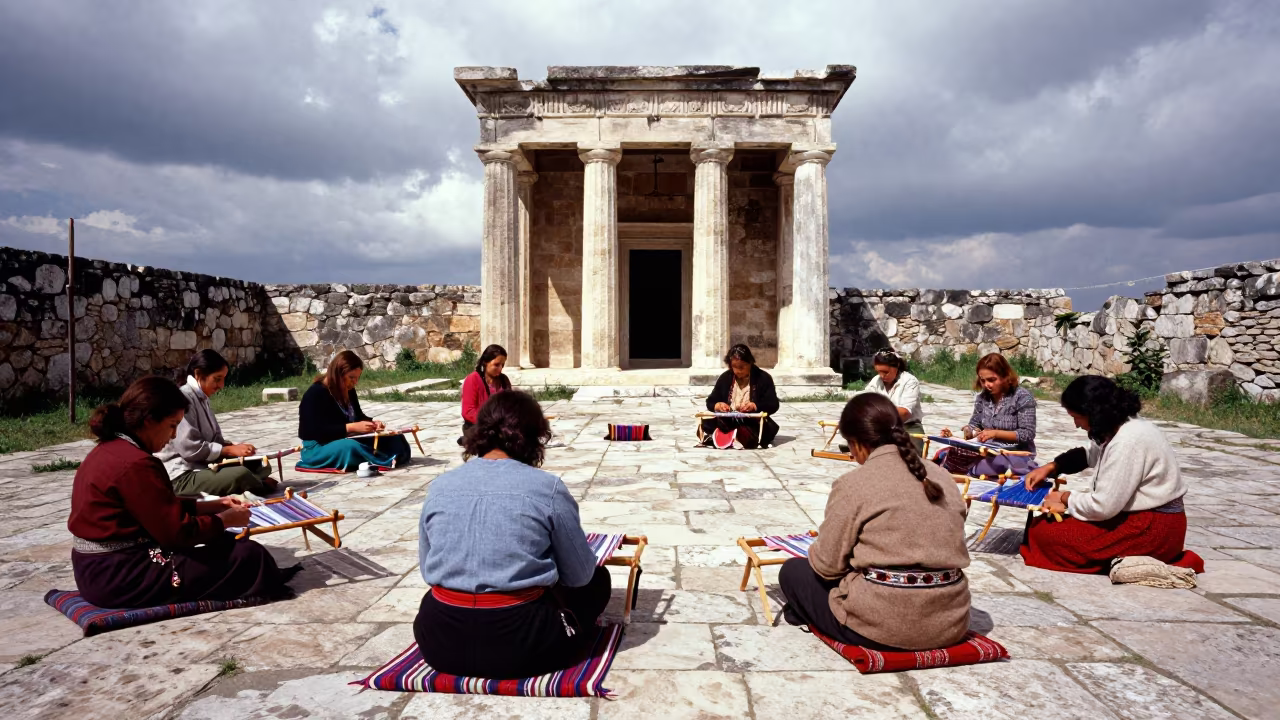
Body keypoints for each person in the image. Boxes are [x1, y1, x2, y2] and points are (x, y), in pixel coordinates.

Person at [415, 390, 611, 679]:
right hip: (522, 646)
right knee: (598, 580)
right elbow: (580, 576)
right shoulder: (547, 487)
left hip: (440, 643)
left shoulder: (440, 486)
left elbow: (427, 569)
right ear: (534, 437)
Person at [68, 376, 296, 608]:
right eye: (172, 425)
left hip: (96, 570)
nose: (174, 435)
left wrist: (211, 506)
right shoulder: (136, 463)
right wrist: (224, 520)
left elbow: (152, 508)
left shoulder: (112, 449)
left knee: (226, 543)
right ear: (149, 421)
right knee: (248, 556)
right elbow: (176, 534)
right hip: (120, 576)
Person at [778, 392, 971, 650]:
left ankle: (805, 612)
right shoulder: (942, 476)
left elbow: (826, 566)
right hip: (949, 623)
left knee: (793, 572)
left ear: (857, 444)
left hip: (882, 626)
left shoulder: (853, 484)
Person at [1019, 375, 1205, 575]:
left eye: (1077, 417)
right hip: (1146, 520)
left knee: (1045, 533)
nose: (1076, 425)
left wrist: (1064, 497)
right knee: (1044, 524)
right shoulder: (1119, 426)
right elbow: (1090, 454)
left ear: (1093, 413)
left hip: (1153, 529)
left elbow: (1102, 506)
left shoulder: (1127, 441)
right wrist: (1052, 467)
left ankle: (1152, 555)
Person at [157, 350, 277, 497]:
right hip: (183, 474)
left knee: (261, 464)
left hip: (204, 464)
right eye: (217, 379)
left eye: (223, 379)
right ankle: (258, 484)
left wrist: (234, 447)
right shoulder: (183, 399)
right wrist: (228, 450)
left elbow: (214, 439)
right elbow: (189, 448)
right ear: (198, 374)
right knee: (241, 474)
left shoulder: (202, 398)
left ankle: (252, 481)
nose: (221, 385)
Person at [296, 350, 411, 472]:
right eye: (351, 377)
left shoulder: (348, 390)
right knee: (350, 448)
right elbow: (310, 431)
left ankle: (393, 457)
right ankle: (383, 460)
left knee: (394, 437)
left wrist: (372, 423)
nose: (355, 382)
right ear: (338, 374)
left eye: (357, 378)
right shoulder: (315, 394)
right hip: (318, 447)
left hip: (344, 438)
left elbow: (358, 416)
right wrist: (350, 428)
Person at [937, 353, 1037, 476]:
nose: (987, 385)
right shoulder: (983, 398)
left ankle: (975, 470)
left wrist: (995, 433)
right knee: (949, 454)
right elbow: (975, 425)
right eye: (983, 380)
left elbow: (1027, 433)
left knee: (990, 464)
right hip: (987, 448)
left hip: (1014, 452)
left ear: (1005, 376)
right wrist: (964, 432)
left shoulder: (1022, 397)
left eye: (991, 380)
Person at [843, 347, 925, 454]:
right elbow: (866, 396)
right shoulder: (876, 381)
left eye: (886, 372)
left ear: (897, 366)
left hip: (908, 427)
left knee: (909, 460)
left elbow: (905, 412)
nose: (882, 376)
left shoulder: (909, 381)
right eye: (879, 372)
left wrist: (878, 415)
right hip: (885, 429)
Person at [700, 344, 781, 449]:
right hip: (730, 420)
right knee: (707, 422)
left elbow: (773, 404)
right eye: (735, 367)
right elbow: (710, 401)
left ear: (750, 363)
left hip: (751, 421)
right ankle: (734, 436)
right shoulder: (725, 378)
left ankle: (732, 436)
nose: (738, 371)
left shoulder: (763, 378)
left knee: (754, 430)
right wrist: (718, 405)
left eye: (742, 367)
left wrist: (755, 406)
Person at [457, 344, 511, 446]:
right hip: (478, 425)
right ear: (486, 362)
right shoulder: (472, 379)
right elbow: (468, 412)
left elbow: (509, 405)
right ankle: (469, 439)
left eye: (502, 365)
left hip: (499, 425)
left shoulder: (504, 380)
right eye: (496, 365)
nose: (500, 369)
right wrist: (491, 422)